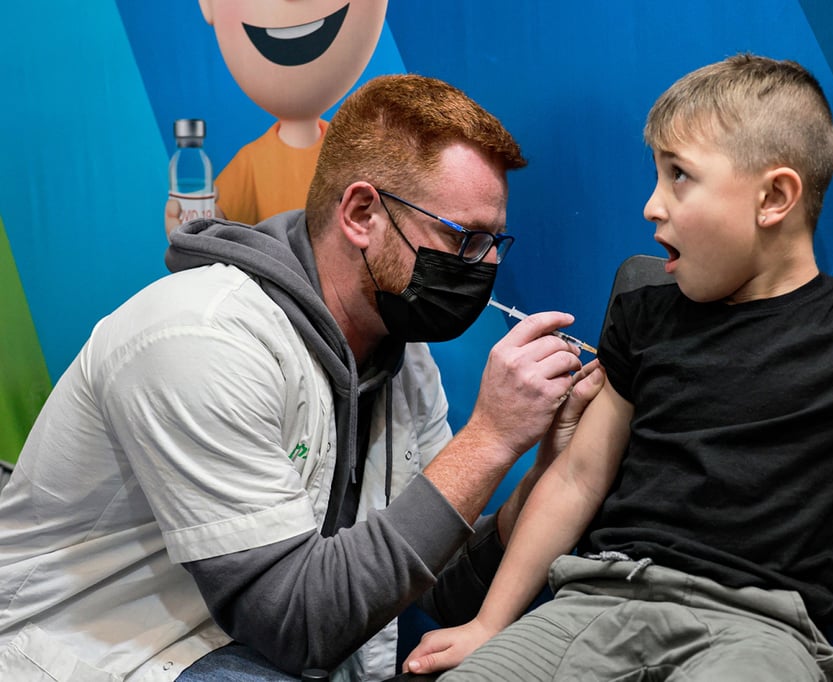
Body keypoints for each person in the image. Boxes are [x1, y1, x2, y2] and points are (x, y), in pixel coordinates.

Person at [402, 54, 833, 681]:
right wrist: (490, 624)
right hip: (594, 601)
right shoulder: (643, 320)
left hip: (759, 631)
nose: (651, 205)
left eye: (679, 176)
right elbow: (575, 479)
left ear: (774, 197)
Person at [0, 74, 603, 681]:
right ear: (362, 213)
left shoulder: (402, 359)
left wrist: (540, 477)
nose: (486, 266)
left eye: (495, 241)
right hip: (111, 651)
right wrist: (490, 438)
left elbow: (434, 584)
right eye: (461, 237)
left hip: (247, 649)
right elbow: (296, 623)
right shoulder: (200, 337)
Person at [165, 0, 390, 235]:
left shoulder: (356, 156)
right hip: (274, 270)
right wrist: (193, 226)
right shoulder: (252, 163)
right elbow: (217, 223)